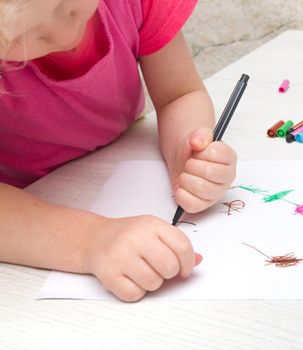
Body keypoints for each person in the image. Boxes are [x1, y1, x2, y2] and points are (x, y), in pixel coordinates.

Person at [0, 0, 237, 301]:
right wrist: (91, 240)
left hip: (118, 156)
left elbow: (180, 94)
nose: (66, 35)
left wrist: (187, 150)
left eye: (69, 4)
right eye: (22, 37)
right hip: (24, 215)